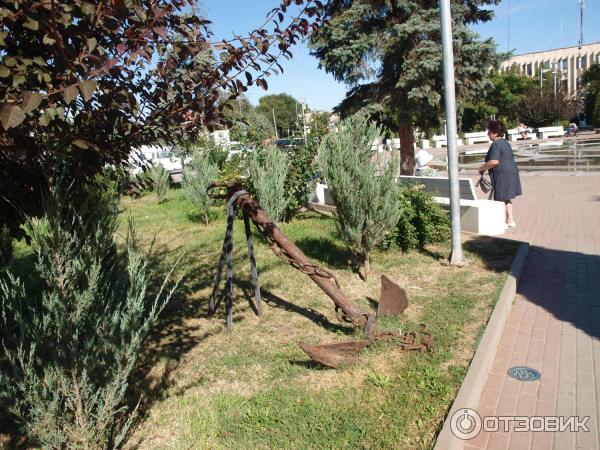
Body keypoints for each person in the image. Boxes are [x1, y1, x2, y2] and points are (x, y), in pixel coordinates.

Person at [478, 120, 522, 228]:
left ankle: (502, 223)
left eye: (489, 132)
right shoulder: (506, 143)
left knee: (499, 199)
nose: (488, 134)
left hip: (501, 174)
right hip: (511, 172)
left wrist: (481, 168)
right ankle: (510, 220)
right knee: (507, 197)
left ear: (495, 133)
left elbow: (494, 161)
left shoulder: (496, 145)